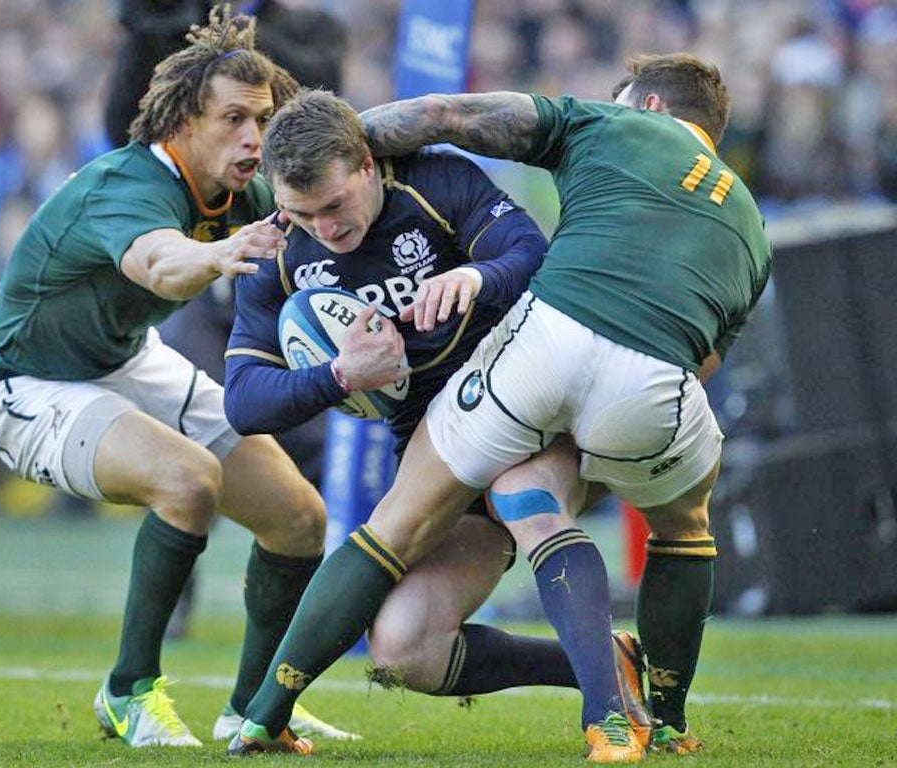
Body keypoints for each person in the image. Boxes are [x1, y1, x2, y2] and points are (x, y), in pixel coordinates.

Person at [229, 53, 773, 760]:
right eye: (301, 213)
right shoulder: (275, 252)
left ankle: (267, 715)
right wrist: (338, 373)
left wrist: (474, 278)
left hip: (523, 397)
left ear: (365, 164)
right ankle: (618, 671)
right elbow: (244, 402)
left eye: (333, 205)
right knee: (404, 650)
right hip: (494, 424)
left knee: (518, 492)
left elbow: (517, 237)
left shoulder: (438, 181)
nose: (322, 227)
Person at [0, 6, 348, 748]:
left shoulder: (242, 184)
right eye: (234, 118)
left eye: (263, 119)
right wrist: (216, 255)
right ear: (181, 120)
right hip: (26, 385)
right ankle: (127, 691)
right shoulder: (129, 184)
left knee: (298, 519)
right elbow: (158, 263)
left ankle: (255, 708)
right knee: (187, 480)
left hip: (124, 360)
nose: (254, 137)